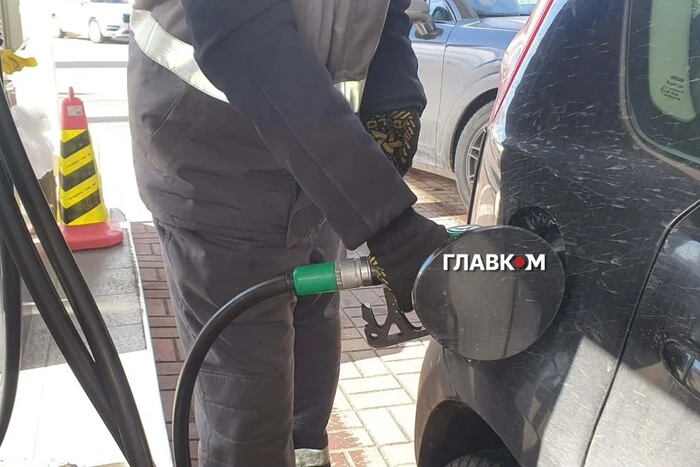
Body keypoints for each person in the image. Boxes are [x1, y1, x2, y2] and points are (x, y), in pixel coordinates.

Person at [127, 0, 449, 465]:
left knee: (309, 396)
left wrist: (392, 94)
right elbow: (242, 37)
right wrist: (388, 222)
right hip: (217, 175)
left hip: (314, 182)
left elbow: (387, 11)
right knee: (250, 420)